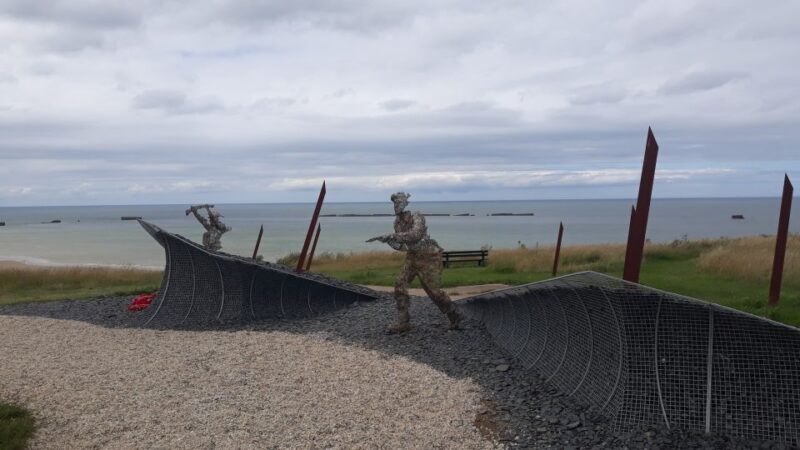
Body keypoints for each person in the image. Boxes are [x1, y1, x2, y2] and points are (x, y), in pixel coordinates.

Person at [367, 192, 461, 333]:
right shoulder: (397, 223)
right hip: (412, 257)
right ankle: (403, 323)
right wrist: (389, 241)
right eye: (394, 203)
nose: (396, 206)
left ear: (405, 204)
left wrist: (392, 236)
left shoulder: (417, 216)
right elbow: (403, 246)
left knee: (434, 292)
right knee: (400, 284)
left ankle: (454, 314)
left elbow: (415, 234)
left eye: (398, 203)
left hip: (429, 256)